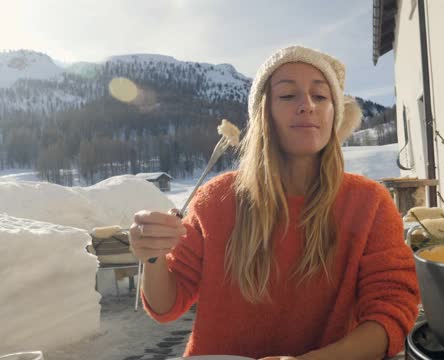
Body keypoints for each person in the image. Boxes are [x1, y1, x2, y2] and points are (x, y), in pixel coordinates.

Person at [129, 45, 419, 360]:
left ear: (335, 113)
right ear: (263, 114)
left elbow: (392, 312)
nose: (307, 105)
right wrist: (153, 256)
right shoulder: (214, 200)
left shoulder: (369, 204)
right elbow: (165, 307)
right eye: (287, 95)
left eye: (320, 96)